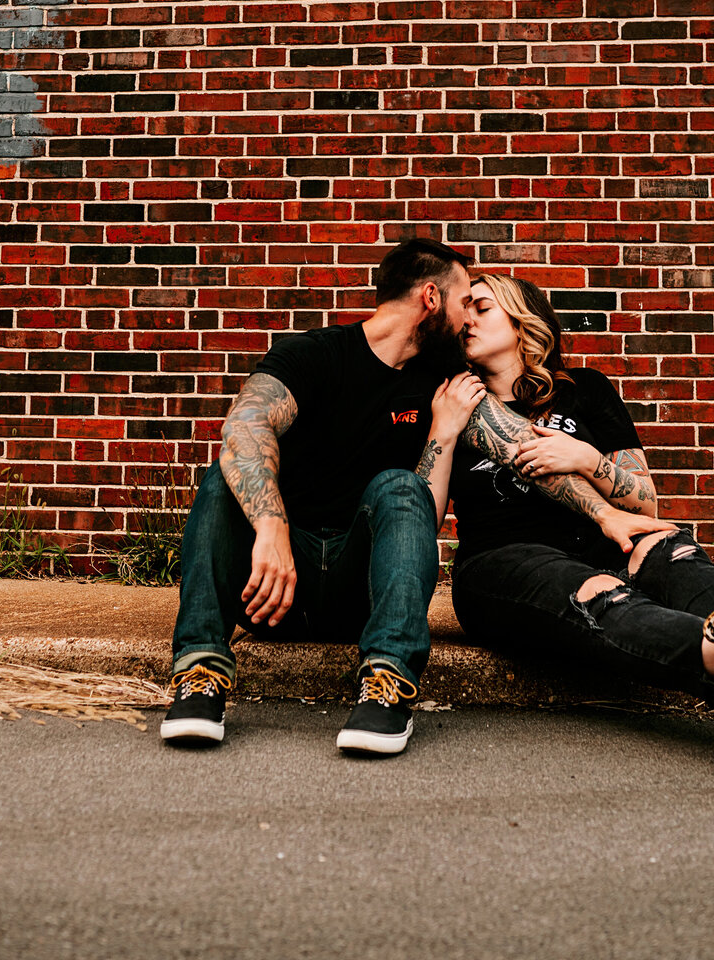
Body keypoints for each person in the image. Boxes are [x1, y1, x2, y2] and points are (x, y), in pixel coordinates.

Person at [424, 272, 714, 770]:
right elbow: (428, 511)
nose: (467, 318)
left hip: (603, 540)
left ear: (522, 319)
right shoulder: (454, 399)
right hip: (503, 564)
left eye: (482, 307)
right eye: (464, 309)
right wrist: (442, 431)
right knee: (599, 591)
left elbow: (645, 502)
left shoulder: (587, 390)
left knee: (668, 546)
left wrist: (585, 457)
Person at [161, 239, 486, 756]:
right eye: (465, 301)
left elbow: (522, 446)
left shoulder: (443, 383)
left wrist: (601, 489)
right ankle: (200, 672)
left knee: (400, 483)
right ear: (430, 297)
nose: (470, 318)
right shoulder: (312, 354)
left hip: (364, 594)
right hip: (275, 590)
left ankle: (388, 684)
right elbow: (246, 426)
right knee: (227, 471)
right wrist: (273, 529)